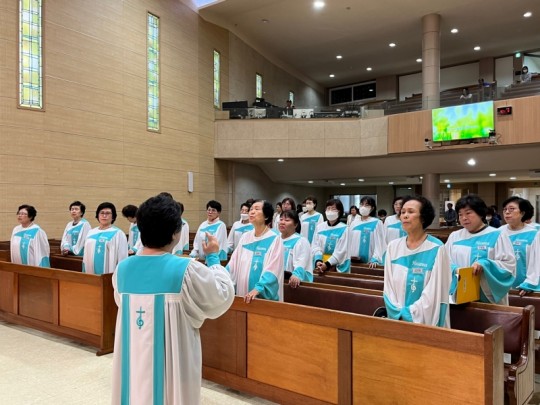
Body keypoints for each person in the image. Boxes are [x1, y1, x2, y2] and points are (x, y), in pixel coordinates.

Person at [111, 194, 234, 405]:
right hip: (174, 366)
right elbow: (220, 297)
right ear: (176, 233)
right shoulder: (185, 269)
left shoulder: (122, 269)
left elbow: (123, 305)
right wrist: (213, 257)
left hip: (134, 358)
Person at [383, 196, 451, 327]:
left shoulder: (437, 248)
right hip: (396, 319)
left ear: (423, 217)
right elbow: (388, 287)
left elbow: (435, 292)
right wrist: (398, 313)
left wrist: (410, 314)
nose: (405, 216)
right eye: (403, 212)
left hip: (425, 323)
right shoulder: (393, 247)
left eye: (411, 212)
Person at [445, 194, 516, 305]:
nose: (464, 218)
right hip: (459, 295)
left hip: (488, 299)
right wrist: (455, 269)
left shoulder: (497, 235)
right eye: (460, 214)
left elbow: (509, 264)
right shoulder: (454, 236)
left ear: (480, 213)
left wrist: (484, 264)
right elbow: (444, 261)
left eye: (468, 213)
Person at [226, 200, 284, 302]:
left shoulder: (275, 238)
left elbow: (273, 269)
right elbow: (233, 263)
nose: (252, 212)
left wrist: (258, 288)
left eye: (257, 209)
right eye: (251, 209)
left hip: (260, 297)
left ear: (266, 216)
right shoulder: (245, 237)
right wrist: (222, 276)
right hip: (242, 294)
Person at [499, 197, 540, 295]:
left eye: (511, 209)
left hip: (525, 288)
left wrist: (530, 283)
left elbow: (537, 262)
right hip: (502, 286)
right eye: (505, 209)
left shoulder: (534, 234)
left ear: (522, 213)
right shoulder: (498, 232)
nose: (507, 212)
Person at [83, 202, 128, 274]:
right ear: (98, 215)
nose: (104, 215)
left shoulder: (118, 234)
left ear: (113, 216)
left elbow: (122, 258)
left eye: (108, 213)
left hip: (108, 274)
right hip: (90, 272)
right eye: (102, 213)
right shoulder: (91, 232)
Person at [312, 198, 351, 273]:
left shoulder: (344, 229)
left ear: (339, 211)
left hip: (336, 267)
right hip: (320, 264)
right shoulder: (320, 227)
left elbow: (341, 251)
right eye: (328, 208)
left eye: (333, 209)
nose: (330, 211)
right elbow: (315, 245)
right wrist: (318, 260)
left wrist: (327, 264)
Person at [348, 196, 386, 267]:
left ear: (372, 208)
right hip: (353, 261)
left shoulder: (377, 223)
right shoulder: (354, 223)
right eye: (361, 204)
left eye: (367, 205)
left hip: (370, 263)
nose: (363, 207)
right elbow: (349, 241)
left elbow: (380, 243)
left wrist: (375, 258)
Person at [279, 210, 313, 288]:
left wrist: (296, 274)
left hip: (295, 284)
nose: (282, 222)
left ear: (295, 225)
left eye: (287, 220)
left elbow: (302, 261)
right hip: (279, 281)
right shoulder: (276, 239)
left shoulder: (301, 241)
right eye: (281, 219)